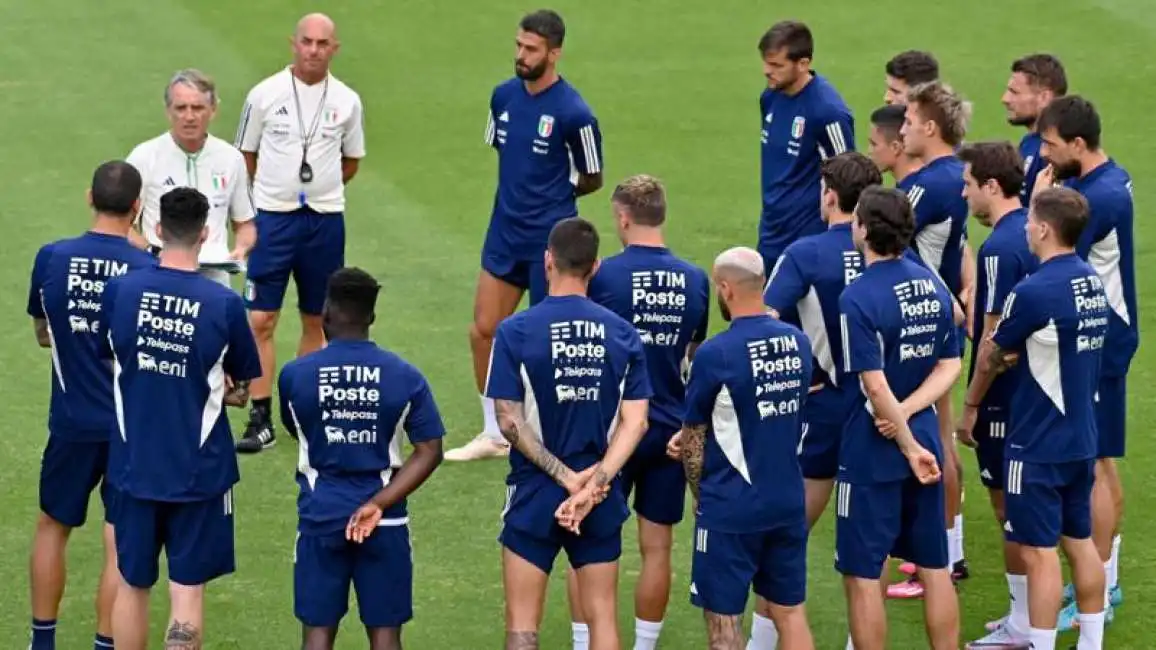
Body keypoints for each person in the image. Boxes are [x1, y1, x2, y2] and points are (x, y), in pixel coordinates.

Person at [99, 187, 262, 650]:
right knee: (186, 592)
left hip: (133, 469)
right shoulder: (224, 304)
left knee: (132, 584)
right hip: (199, 473)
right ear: (206, 234)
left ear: (155, 230)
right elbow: (243, 388)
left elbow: (111, 357)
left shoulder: (121, 292)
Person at [485, 217, 650, 650]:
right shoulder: (623, 333)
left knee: (522, 624)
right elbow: (637, 423)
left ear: (547, 262)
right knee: (602, 619)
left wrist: (565, 480)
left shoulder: (515, 330)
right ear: (594, 267)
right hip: (598, 495)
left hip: (533, 492)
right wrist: (594, 484)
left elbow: (508, 420)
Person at [451, 9, 606, 463]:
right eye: (519, 45)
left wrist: (556, 197)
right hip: (504, 232)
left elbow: (592, 175)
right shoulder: (502, 98)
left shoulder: (575, 114)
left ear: (554, 53)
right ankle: (493, 432)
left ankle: (547, 431)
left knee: (546, 340)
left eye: (531, 49)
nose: (521, 55)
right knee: (483, 330)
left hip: (549, 243)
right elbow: (503, 150)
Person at [565, 175, 709, 650]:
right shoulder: (695, 279)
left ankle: (587, 644)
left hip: (611, 431)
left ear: (623, 218)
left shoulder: (604, 276)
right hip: (668, 427)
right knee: (658, 547)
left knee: (585, 544)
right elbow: (693, 352)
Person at [25, 161, 157, 650]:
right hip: (128, 428)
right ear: (137, 206)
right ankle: (106, 642)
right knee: (117, 538)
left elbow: (44, 333)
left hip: (71, 421)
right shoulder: (148, 268)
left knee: (52, 525)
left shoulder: (52, 257)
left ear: (89, 197)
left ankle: (42, 641)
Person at [279, 268, 446, 650]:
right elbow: (430, 450)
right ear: (371, 317)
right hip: (386, 520)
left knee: (317, 633)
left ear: (325, 314)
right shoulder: (406, 376)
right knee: (386, 634)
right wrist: (378, 504)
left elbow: (296, 427)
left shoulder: (295, 376)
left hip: (321, 515)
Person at [978, 186, 1109, 650]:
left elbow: (995, 350)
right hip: (1081, 437)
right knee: (1080, 541)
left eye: (1032, 220)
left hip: (1037, 441)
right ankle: (1091, 643)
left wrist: (974, 401)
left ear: (1046, 228)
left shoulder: (1032, 291)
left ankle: (1042, 644)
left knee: (1038, 552)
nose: (1027, 228)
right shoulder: (1091, 280)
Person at [669, 246, 815, 650]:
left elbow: (694, 437)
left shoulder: (715, 354)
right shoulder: (797, 343)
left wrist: (701, 498)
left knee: (724, 623)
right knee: (790, 612)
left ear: (725, 289)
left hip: (732, 507)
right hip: (786, 501)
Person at [234, 12, 367, 453]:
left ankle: (302, 411)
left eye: (322, 43)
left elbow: (351, 161)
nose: (313, 50)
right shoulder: (264, 94)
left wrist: (319, 190)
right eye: (306, 41)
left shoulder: (347, 100)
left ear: (335, 49)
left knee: (317, 317)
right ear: (294, 43)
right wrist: (272, 195)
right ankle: (259, 414)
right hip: (273, 218)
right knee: (261, 318)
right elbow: (245, 156)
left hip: (325, 220)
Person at [836, 186, 960, 650]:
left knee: (864, 572)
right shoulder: (932, 285)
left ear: (864, 229)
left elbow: (874, 384)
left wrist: (903, 436)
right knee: (934, 565)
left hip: (876, 448)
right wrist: (912, 418)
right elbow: (950, 364)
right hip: (926, 437)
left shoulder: (858, 297)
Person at [1036, 95, 1135, 631]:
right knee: (1100, 459)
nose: (1044, 154)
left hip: (1102, 344)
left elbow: (1052, 255)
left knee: (1096, 462)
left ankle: (1099, 581)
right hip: (1105, 339)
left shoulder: (1097, 198)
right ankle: (1103, 576)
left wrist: (1040, 202)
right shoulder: (1104, 181)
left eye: (1051, 144)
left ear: (1078, 144)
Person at [951, 142, 1038, 646]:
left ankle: (1023, 624)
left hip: (1005, 398)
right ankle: (1027, 616)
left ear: (990, 186)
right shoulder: (1034, 229)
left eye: (968, 185)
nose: (964, 195)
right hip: (1039, 392)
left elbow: (993, 340)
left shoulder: (999, 249)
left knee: (1010, 508)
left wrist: (972, 404)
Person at [890, 81, 973, 598]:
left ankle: (940, 556)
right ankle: (947, 551)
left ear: (929, 127)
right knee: (935, 437)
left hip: (926, 324)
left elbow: (887, 235)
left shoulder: (930, 186)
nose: (901, 129)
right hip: (938, 316)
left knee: (934, 441)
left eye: (907, 120)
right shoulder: (950, 177)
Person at [126, 69, 256, 286]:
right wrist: (150, 250)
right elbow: (123, 225)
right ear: (169, 111)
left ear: (212, 110)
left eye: (197, 108)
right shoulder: (144, 156)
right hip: (160, 276)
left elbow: (245, 224)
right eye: (181, 108)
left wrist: (241, 249)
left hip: (214, 280)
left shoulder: (231, 158)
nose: (189, 117)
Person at [756, 20, 854, 277]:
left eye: (776, 65)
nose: (767, 71)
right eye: (766, 62)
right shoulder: (770, 97)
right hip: (771, 232)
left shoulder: (828, 112)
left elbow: (850, 177)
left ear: (803, 64)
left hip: (809, 238)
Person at [1002, 54, 1067, 204]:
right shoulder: (1028, 142)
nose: (1005, 99)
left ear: (1044, 98)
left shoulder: (1055, 155)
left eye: (1014, 92)